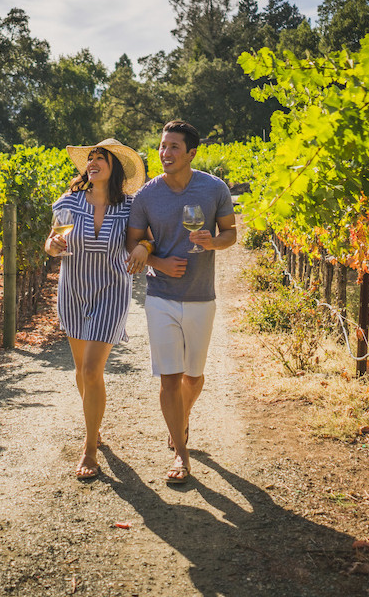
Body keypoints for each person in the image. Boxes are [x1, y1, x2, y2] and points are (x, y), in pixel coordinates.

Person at [126, 120, 236, 484]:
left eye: (174, 147)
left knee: (194, 376)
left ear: (191, 153)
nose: (165, 153)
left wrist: (212, 243)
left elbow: (231, 233)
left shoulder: (213, 187)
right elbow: (133, 243)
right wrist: (157, 263)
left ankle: (180, 420)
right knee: (169, 379)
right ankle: (181, 455)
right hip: (160, 296)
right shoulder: (146, 196)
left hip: (202, 295)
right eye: (162, 146)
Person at [45, 138, 146, 480]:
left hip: (112, 291)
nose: (93, 162)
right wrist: (53, 246)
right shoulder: (69, 202)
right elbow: (52, 241)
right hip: (73, 290)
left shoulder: (131, 207)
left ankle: (89, 448)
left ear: (114, 167)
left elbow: (145, 238)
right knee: (80, 369)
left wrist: (144, 248)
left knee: (91, 370)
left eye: (100, 157)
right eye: (90, 157)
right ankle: (95, 425)